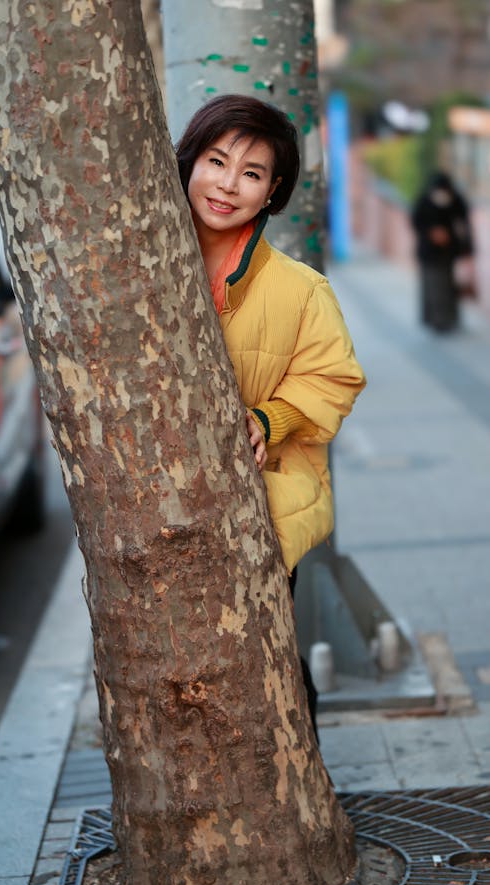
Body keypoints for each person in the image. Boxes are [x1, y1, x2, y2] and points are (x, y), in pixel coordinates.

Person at [175, 94, 366, 734]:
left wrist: (269, 419)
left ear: (272, 191)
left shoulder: (301, 288)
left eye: (251, 173)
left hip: (261, 505)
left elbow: (334, 378)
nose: (228, 185)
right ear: (188, 161)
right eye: (216, 160)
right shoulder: (134, 268)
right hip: (159, 514)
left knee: (269, 664)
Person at [411, 170, 474, 332]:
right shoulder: (424, 200)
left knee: (448, 287)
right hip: (429, 252)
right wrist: (432, 232)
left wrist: (467, 249)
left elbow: (464, 223)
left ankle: (449, 319)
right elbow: (417, 221)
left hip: (448, 251)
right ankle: (434, 319)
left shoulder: (455, 200)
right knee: (431, 285)